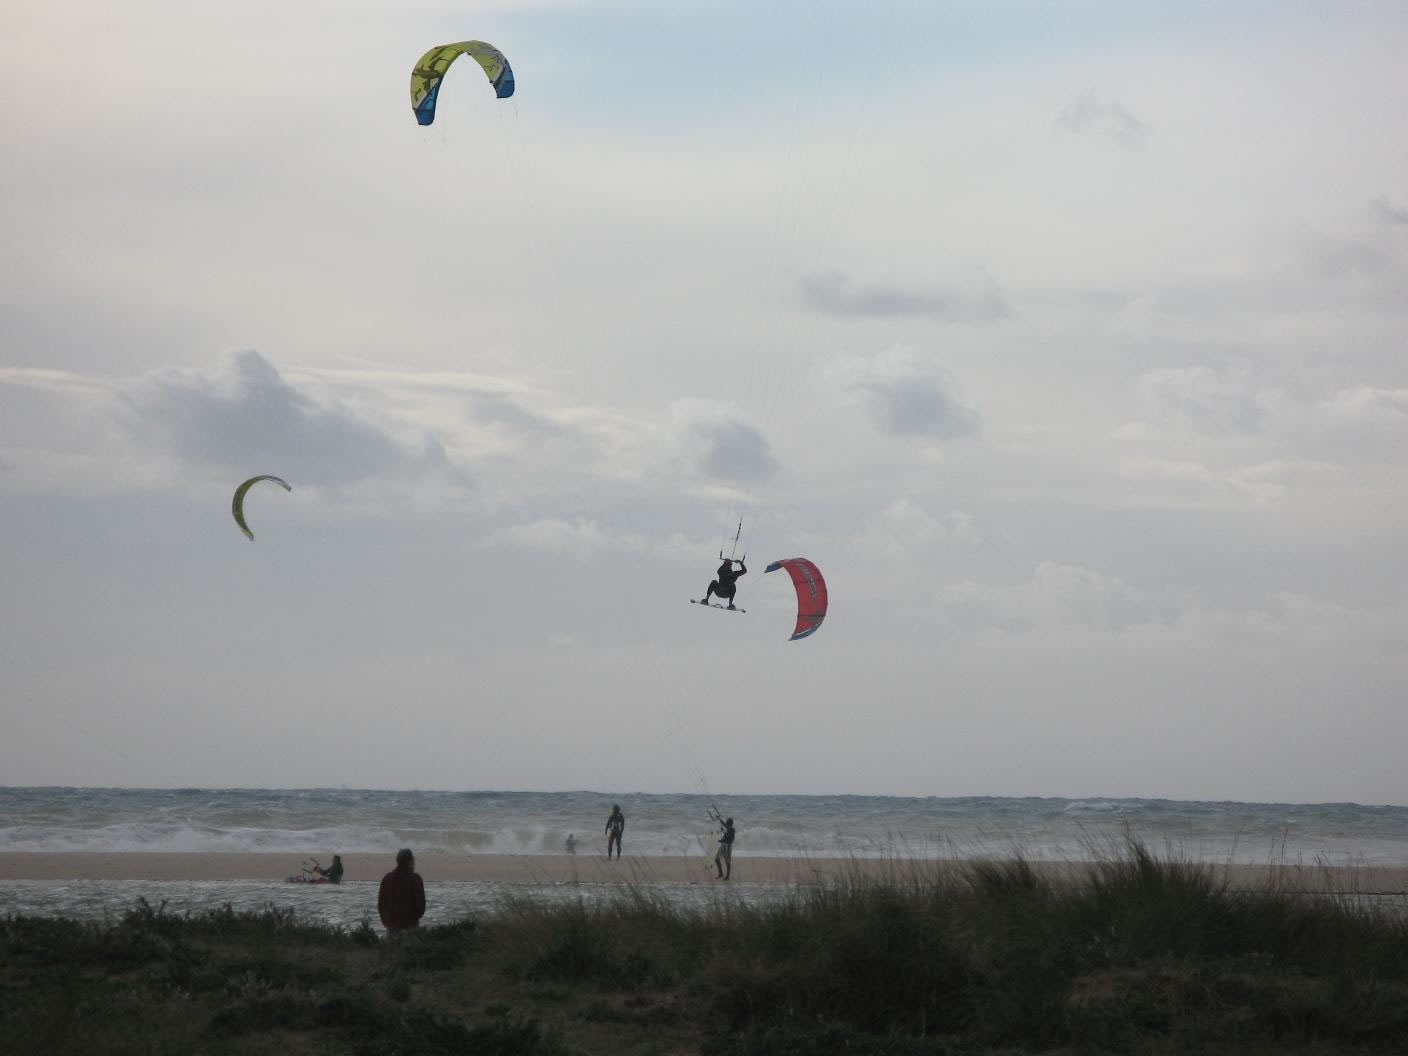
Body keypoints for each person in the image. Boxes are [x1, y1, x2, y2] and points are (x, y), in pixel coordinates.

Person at [377, 848, 425, 934]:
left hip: (392, 925)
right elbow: (421, 905)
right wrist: (416, 917)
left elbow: (381, 904)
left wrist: (386, 921)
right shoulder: (415, 879)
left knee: (392, 943)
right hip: (411, 925)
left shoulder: (387, 878)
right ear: (410, 862)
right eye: (413, 859)